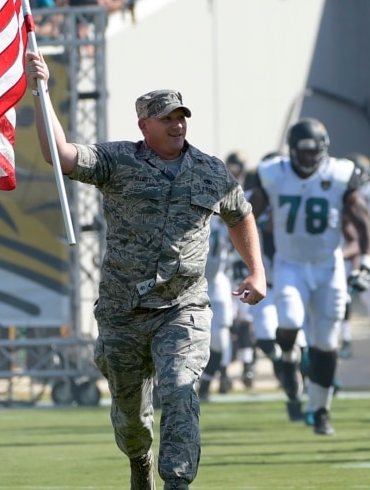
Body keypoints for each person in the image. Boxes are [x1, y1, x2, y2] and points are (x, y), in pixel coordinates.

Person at [25, 51, 268, 490]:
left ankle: (176, 481)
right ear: (144, 125)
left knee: (179, 389)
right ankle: (139, 459)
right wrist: (38, 92)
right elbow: (58, 155)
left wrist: (257, 272)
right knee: (130, 415)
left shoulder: (211, 171)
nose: (177, 125)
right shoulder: (116, 161)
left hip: (183, 307)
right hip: (122, 311)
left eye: (181, 117)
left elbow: (240, 214)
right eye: (166, 119)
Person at [251, 118, 370, 435]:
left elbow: (362, 223)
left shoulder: (339, 173)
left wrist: (367, 263)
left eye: (313, 151)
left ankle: (320, 410)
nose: (307, 158)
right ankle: (290, 357)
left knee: (326, 341)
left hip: (328, 266)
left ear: (324, 150)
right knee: (290, 321)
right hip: (290, 263)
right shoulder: (272, 174)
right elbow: (248, 217)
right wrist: (253, 262)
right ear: (291, 150)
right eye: (302, 151)